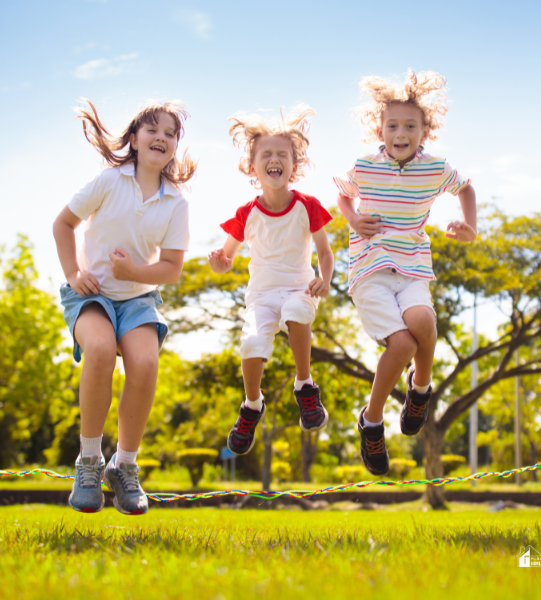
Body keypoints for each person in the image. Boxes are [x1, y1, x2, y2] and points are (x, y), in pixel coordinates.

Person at [53, 99, 196, 514]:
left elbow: (170, 270)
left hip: (138, 299)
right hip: (91, 294)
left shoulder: (176, 203)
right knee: (98, 351)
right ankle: (91, 461)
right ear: (134, 139)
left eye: (171, 134)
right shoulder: (110, 181)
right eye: (153, 129)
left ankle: (125, 466)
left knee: (146, 364)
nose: (162, 138)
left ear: (174, 148)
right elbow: (62, 225)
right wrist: (75, 272)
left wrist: (134, 269)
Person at [334, 71, 477, 475]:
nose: (401, 133)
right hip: (371, 268)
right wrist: (353, 217)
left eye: (410, 126)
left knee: (423, 321)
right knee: (401, 345)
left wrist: (470, 227)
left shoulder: (435, 168)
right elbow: (344, 194)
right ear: (379, 129)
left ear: (424, 131)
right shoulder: (365, 164)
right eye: (393, 125)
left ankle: (420, 387)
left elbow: (466, 188)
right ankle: (372, 421)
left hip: (413, 264)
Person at [209, 106, 334, 456]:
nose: (275, 159)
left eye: (283, 154)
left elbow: (325, 252)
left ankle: (305, 387)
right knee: (250, 343)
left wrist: (325, 279)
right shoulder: (246, 214)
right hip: (261, 295)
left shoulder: (307, 205)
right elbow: (226, 260)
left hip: (300, 287)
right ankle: (251, 405)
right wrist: (219, 263)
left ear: (295, 165)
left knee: (296, 310)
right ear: (253, 166)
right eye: (267, 155)